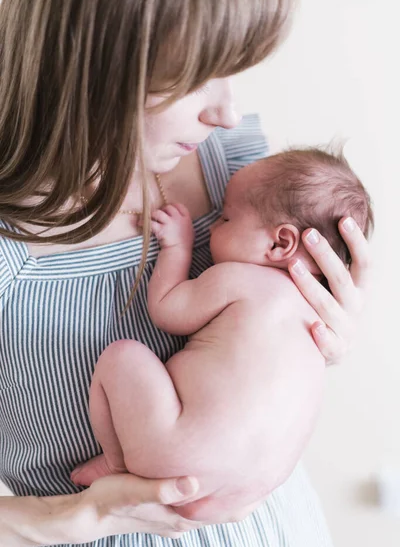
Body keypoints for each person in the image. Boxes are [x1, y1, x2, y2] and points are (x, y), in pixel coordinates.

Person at [0, 0, 371, 547]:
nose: (225, 112)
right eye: (197, 73)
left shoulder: (239, 171)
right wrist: (61, 520)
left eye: (233, 70)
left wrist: (321, 335)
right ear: (94, 59)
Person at [70, 148, 373, 523]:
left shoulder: (239, 278)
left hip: (176, 458)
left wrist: (177, 246)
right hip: (249, 492)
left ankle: (117, 465)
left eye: (226, 218)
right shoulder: (318, 314)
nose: (212, 227)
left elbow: (167, 309)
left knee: (122, 355)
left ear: (280, 244)